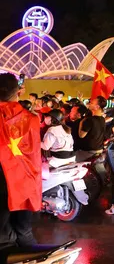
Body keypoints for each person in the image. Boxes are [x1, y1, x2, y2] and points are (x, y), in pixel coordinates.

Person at [0, 73, 41, 246]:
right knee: (24, 231)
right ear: (19, 92)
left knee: (3, 237)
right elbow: (35, 155)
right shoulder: (31, 119)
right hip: (25, 184)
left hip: (1, 183)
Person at [76, 96, 107, 161]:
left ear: (97, 107)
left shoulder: (89, 120)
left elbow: (81, 135)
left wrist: (81, 122)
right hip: (99, 150)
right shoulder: (102, 119)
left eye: (92, 103)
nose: (89, 104)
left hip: (88, 153)